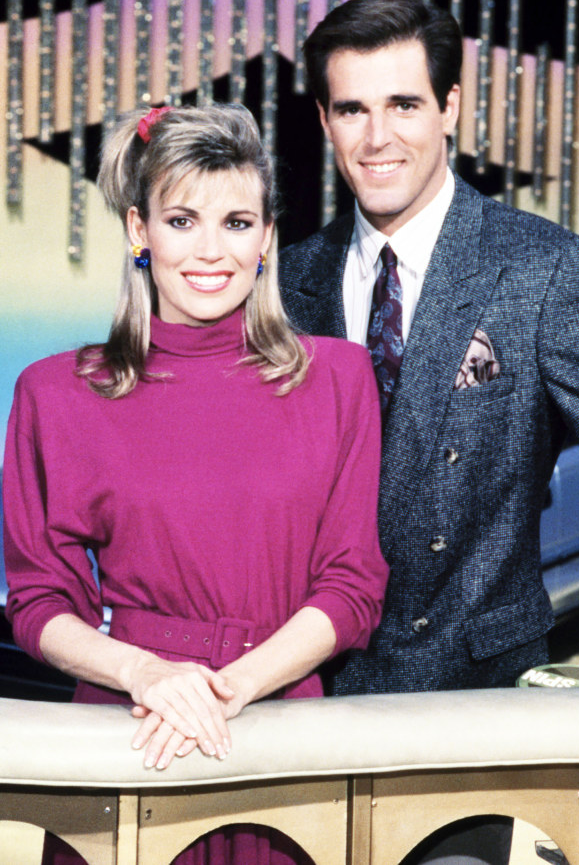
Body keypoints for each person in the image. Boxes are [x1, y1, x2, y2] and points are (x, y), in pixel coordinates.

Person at [278, 0, 579, 860]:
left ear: (450, 107)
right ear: (323, 118)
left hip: (468, 699)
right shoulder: (285, 283)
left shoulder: (541, 269)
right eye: (352, 108)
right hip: (299, 698)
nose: (377, 137)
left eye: (404, 105)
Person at [3, 103, 388, 865]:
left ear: (268, 236)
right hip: (127, 735)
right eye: (183, 220)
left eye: (238, 222)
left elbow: (353, 586)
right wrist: (146, 674)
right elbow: (39, 599)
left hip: (281, 737)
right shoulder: (56, 392)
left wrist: (229, 688)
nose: (211, 251)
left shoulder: (339, 379)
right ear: (139, 231)